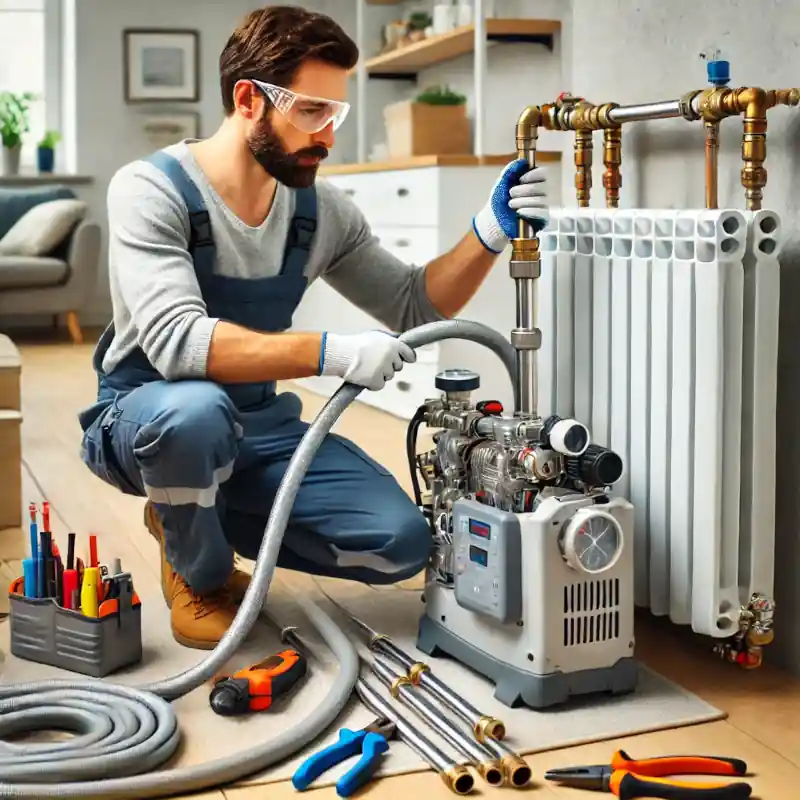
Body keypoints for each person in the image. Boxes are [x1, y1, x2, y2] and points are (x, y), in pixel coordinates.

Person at [78, 4, 550, 650]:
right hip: (148, 419)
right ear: (248, 99)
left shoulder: (319, 211)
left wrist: (488, 232)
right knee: (195, 415)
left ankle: (192, 512)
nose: (328, 135)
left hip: (256, 432)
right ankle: (200, 568)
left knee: (402, 543)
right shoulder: (149, 192)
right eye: (311, 112)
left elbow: (414, 303)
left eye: (337, 114)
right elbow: (181, 344)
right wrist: (330, 352)